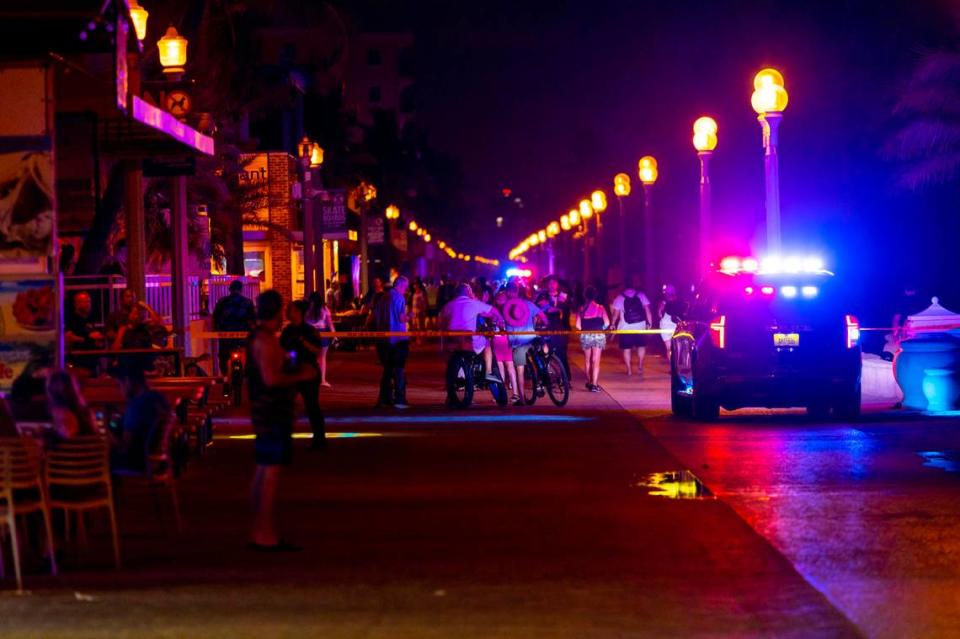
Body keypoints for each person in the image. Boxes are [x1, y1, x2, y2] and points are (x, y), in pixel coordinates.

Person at [247, 290, 317, 551]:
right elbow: (271, 379)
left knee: (263, 469)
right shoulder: (265, 340)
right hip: (271, 412)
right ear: (275, 312)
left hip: (265, 412)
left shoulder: (260, 338)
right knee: (270, 472)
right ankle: (264, 533)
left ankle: (258, 529)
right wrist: (301, 375)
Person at [280, 300, 326, 450]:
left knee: (312, 406)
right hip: (292, 372)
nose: (287, 312)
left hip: (308, 372)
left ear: (299, 312)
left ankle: (319, 439)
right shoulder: (287, 331)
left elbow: (317, 351)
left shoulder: (309, 330)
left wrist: (302, 342)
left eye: (290, 309)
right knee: (285, 406)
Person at [110, 363, 172, 473]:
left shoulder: (135, 405)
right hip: (158, 459)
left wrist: (105, 432)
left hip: (138, 462)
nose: (121, 390)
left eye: (120, 385)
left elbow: (126, 444)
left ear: (128, 382)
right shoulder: (158, 398)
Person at [439, 283, 505, 384]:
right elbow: (493, 310)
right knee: (486, 343)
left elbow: (440, 323)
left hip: (451, 341)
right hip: (468, 341)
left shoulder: (448, 305)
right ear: (469, 292)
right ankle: (488, 372)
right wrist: (501, 321)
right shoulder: (473, 303)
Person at [369, 276, 410, 408]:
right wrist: (410, 316)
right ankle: (399, 399)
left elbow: (375, 316)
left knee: (387, 370)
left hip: (382, 340)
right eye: (406, 287)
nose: (406, 289)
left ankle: (384, 398)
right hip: (398, 339)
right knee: (398, 369)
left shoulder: (382, 298)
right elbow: (401, 318)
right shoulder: (399, 298)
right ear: (401, 285)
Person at [504, 282, 548, 394]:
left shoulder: (506, 308)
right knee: (539, 357)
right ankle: (542, 379)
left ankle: (522, 398)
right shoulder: (528, 304)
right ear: (517, 291)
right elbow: (543, 317)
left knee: (520, 370)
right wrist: (546, 325)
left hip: (518, 343)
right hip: (531, 338)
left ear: (507, 292)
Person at [611, 275, 653, 378]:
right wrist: (650, 324)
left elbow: (615, 314)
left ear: (624, 286)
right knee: (641, 346)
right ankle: (640, 366)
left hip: (625, 328)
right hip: (640, 326)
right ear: (633, 284)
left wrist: (612, 324)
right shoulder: (641, 295)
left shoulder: (620, 297)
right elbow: (648, 311)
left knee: (626, 349)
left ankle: (629, 370)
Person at [213, 280, 255, 378]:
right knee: (248, 355)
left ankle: (225, 377)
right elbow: (253, 318)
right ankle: (245, 375)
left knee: (223, 356)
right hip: (243, 337)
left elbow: (216, 317)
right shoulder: (247, 302)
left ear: (229, 289)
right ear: (241, 289)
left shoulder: (222, 301)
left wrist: (216, 329)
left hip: (226, 337)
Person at [46, 369, 97, 443]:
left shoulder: (63, 414)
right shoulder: (85, 410)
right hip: (92, 452)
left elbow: (67, 436)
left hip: (74, 452)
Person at [577, 286, 610, 392]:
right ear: (595, 295)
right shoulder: (600, 308)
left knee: (587, 360)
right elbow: (607, 323)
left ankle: (589, 382)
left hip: (586, 335)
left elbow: (578, 326)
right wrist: (600, 328)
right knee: (595, 361)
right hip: (598, 334)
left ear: (584, 295)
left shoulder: (581, 309)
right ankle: (595, 385)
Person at [492, 289, 521, 404]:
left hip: (499, 340)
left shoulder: (494, 311)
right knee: (509, 368)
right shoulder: (510, 311)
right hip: (505, 340)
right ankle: (515, 393)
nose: (500, 301)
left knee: (503, 368)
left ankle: (502, 393)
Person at [542, 275, 571, 377]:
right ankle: (547, 376)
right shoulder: (543, 295)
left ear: (557, 284)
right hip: (545, 327)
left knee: (561, 353)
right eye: (550, 283)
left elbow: (564, 308)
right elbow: (540, 308)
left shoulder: (564, 295)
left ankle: (565, 378)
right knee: (545, 353)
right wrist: (554, 306)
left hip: (561, 328)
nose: (552, 285)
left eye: (554, 283)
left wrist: (551, 307)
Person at [305, 292, 336, 387]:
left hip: (309, 333)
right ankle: (322, 380)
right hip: (322, 333)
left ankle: (309, 378)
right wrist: (334, 335)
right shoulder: (324, 309)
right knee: (322, 358)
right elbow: (330, 323)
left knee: (309, 357)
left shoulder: (307, 309)